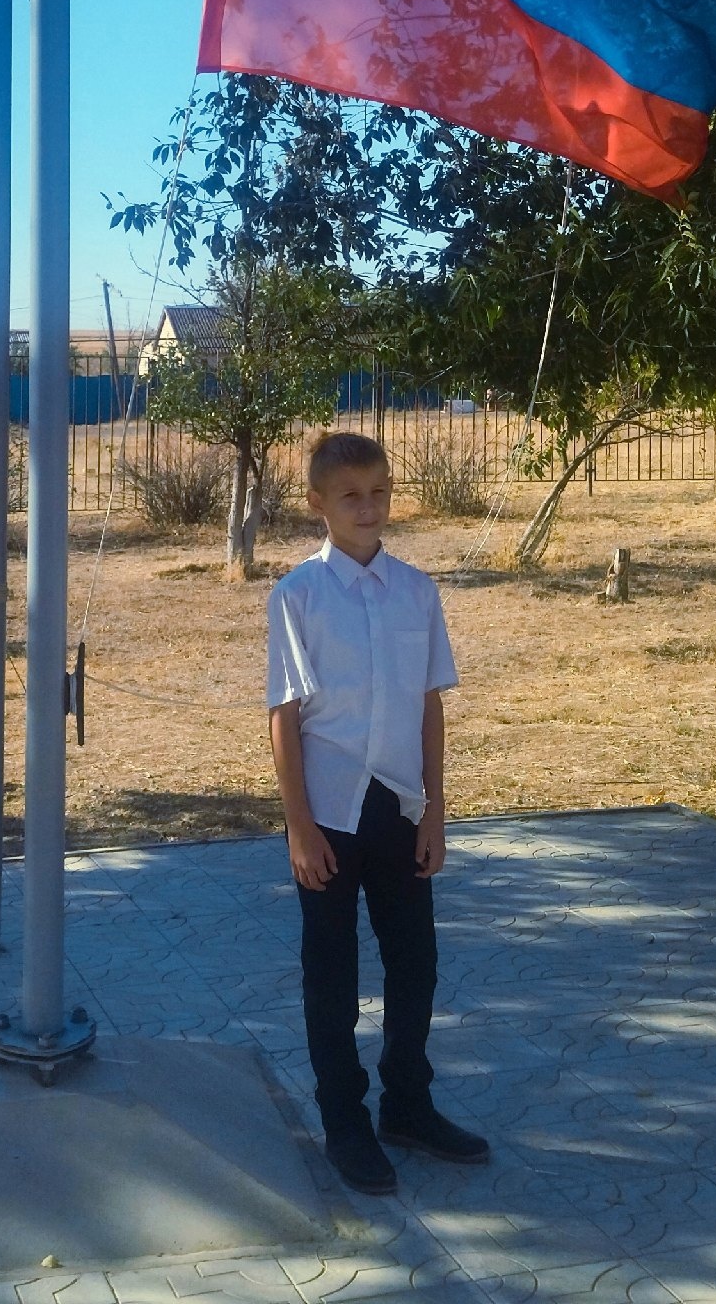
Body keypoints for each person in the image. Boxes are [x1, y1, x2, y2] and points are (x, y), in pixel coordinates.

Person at [266, 430, 487, 1193]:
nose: (369, 507)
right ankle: (345, 1121)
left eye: (380, 491)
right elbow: (285, 716)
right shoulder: (297, 595)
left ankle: (408, 1104)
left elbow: (428, 705)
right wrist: (298, 825)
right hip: (327, 812)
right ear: (318, 505)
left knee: (414, 962)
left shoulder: (417, 592)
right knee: (331, 972)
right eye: (351, 495)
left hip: (399, 805)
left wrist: (434, 810)